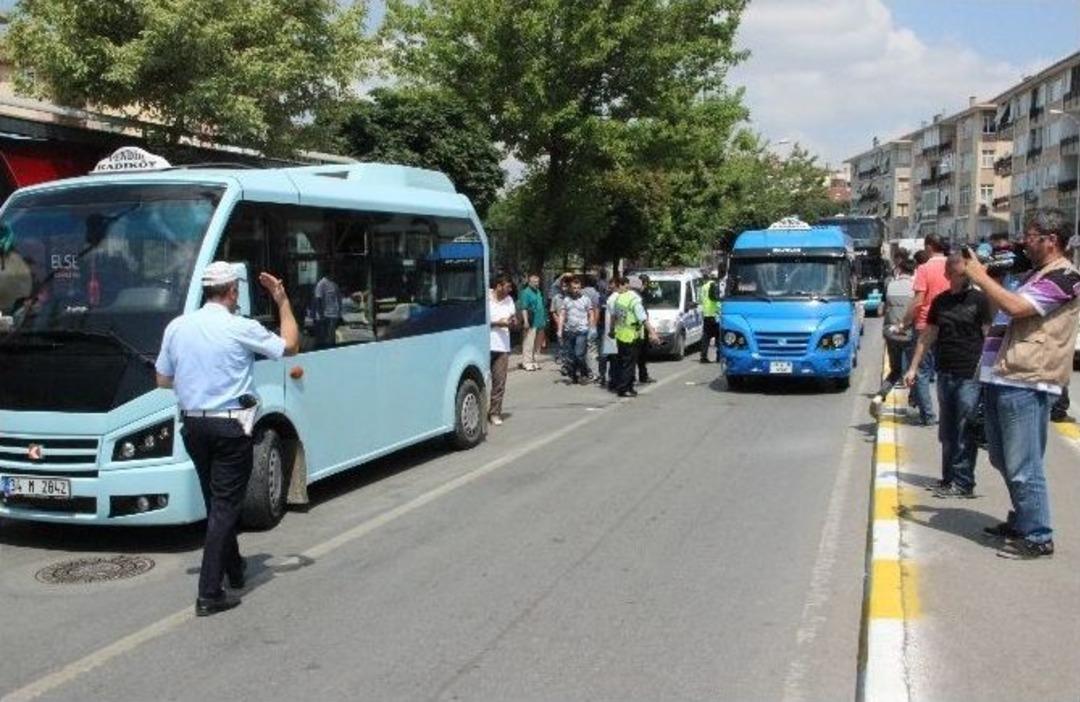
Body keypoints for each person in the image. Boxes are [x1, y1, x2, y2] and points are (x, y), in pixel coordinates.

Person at [155, 261, 300, 616]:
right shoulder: (240, 327)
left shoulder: (177, 327)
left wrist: (197, 383)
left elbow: (162, 380)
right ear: (233, 292)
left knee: (218, 501)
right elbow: (291, 345)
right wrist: (281, 300)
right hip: (230, 428)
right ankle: (209, 593)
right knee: (224, 507)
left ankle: (234, 570)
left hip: (193, 427)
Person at [963, 208, 1080, 559]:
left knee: (1023, 463)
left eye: (1030, 236)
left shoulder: (1066, 278)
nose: (1024, 242)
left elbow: (1015, 308)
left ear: (1051, 239)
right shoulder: (1036, 273)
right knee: (1001, 457)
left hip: (1028, 380)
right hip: (1006, 375)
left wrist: (981, 276)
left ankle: (1039, 535)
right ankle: (1023, 520)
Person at [903, 253, 991, 497]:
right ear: (947, 274)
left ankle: (963, 483)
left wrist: (990, 371)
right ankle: (948, 478)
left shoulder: (980, 300)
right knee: (947, 431)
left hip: (969, 373)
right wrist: (913, 368)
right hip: (945, 371)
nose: (960, 276)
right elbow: (928, 335)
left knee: (965, 428)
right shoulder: (940, 301)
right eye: (956, 272)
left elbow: (988, 335)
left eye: (964, 271)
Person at [899, 235, 950, 425]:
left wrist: (904, 322)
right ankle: (949, 414)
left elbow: (919, 300)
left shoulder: (924, 268)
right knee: (945, 372)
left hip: (925, 325)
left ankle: (928, 415)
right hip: (948, 325)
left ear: (929, 247)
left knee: (921, 371)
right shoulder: (952, 265)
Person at [870, 257, 916, 418]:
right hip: (909, 334)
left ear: (900, 270)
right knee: (914, 369)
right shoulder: (915, 288)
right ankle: (914, 401)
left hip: (891, 333)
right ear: (913, 271)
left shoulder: (890, 285)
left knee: (895, 370)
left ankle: (879, 396)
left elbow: (882, 310)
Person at [611, 277, 659, 397]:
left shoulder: (619, 298)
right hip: (631, 335)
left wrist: (612, 330)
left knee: (624, 363)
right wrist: (652, 333)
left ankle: (628, 387)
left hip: (620, 334)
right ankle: (624, 388)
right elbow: (643, 319)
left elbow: (614, 317)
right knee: (629, 364)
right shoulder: (634, 300)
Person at [488, 274, 517, 426]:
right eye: (507, 286)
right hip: (484, 346)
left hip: (502, 347)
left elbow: (513, 321)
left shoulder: (509, 300)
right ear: (498, 286)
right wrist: (496, 323)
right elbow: (479, 320)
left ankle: (494, 413)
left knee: (499, 382)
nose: (510, 289)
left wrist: (512, 322)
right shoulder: (486, 297)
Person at [557, 276, 597, 384]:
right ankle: (573, 376)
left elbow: (591, 313)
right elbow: (562, 315)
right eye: (574, 288)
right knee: (571, 355)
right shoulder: (566, 300)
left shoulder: (586, 299)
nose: (576, 290)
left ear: (581, 288)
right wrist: (559, 330)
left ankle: (584, 373)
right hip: (569, 331)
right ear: (570, 288)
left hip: (582, 331)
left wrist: (592, 327)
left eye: (578, 288)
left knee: (579, 354)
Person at [518, 273, 546, 371]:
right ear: (529, 282)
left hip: (540, 321)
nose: (536, 284)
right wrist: (525, 321)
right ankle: (527, 362)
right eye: (534, 282)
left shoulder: (538, 291)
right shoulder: (525, 292)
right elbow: (524, 308)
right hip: (531, 321)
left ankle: (535, 361)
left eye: (537, 282)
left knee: (537, 344)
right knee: (528, 342)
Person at [312, 268, 342, 349]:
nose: (334, 274)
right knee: (326, 338)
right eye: (333, 272)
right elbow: (318, 299)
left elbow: (338, 299)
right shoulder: (321, 284)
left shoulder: (334, 284)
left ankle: (332, 348)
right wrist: (321, 315)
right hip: (326, 315)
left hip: (334, 314)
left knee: (332, 336)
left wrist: (339, 313)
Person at [634, 274, 655, 383]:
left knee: (641, 354)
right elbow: (642, 315)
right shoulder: (637, 296)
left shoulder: (640, 294)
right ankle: (641, 376)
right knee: (639, 354)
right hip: (638, 329)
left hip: (638, 328)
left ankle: (642, 375)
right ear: (645, 283)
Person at [699, 270, 722, 363]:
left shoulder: (704, 286)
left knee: (706, 336)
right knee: (718, 336)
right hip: (714, 314)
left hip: (706, 314)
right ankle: (719, 357)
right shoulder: (715, 285)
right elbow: (716, 300)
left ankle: (703, 356)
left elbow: (701, 300)